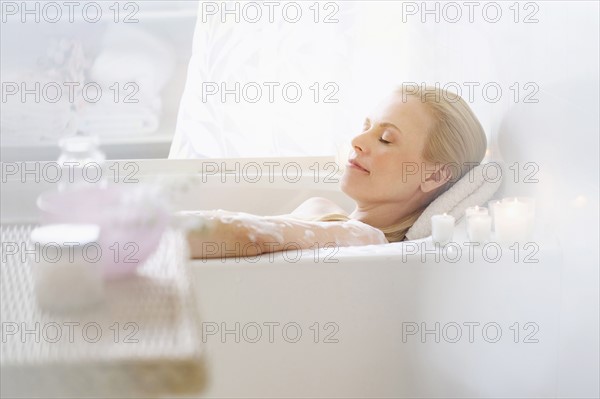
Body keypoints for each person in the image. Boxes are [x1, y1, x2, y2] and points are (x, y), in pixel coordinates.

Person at [185, 85, 487, 259]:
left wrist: (148, 228)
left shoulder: (362, 239)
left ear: (434, 176)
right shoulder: (329, 215)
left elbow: (250, 236)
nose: (357, 142)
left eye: (385, 139)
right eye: (365, 127)